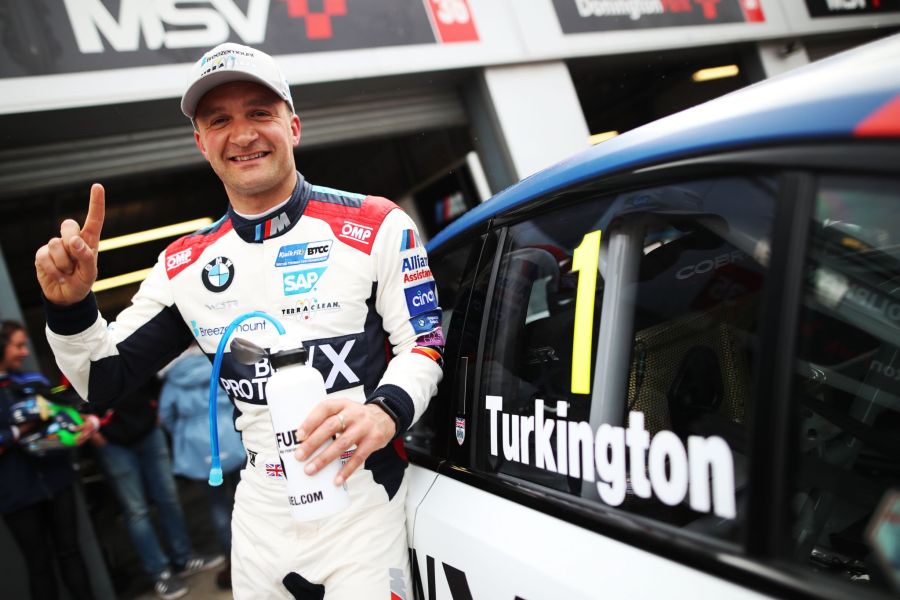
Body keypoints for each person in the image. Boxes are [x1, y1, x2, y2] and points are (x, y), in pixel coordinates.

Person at [35, 42, 444, 599]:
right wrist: (72, 308)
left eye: (259, 112)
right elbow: (101, 381)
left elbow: (423, 343)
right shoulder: (184, 265)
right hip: (261, 514)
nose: (243, 133)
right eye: (219, 120)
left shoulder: (375, 224)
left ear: (293, 126)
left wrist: (383, 411)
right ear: (201, 143)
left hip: (364, 494)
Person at [81, 378, 224, 600]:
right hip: (112, 442)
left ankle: (184, 557)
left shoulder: (119, 343)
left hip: (148, 429)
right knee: (137, 511)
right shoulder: (75, 355)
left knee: (168, 497)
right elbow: (72, 398)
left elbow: (150, 375)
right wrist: (95, 433)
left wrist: (155, 408)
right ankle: (160, 573)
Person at [0, 320, 98, 600]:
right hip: (15, 494)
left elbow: (64, 414)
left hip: (57, 481)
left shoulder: (34, 382)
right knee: (39, 565)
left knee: (71, 553)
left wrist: (83, 424)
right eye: (17, 346)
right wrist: (19, 430)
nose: (24, 352)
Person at [158, 345, 244, 590]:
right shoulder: (215, 366)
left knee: (218, 507)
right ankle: (262, 551)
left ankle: (234, 562)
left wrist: (184, 433)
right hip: (231, 436)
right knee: (247, 498)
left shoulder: (173, 380)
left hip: (200, 451)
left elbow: (166, 416)